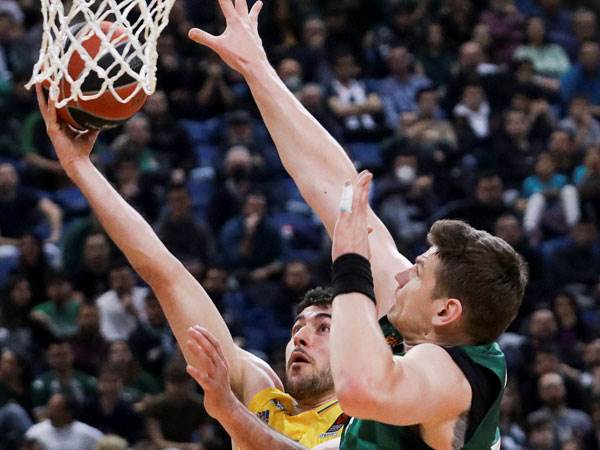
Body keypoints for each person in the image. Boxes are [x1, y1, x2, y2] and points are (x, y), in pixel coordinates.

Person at [187, 2, 526, 449]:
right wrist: (257, 69)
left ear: (446, 311)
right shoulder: (422, 325)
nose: (403, 272)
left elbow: (361, 390)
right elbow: (331, 182)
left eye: (419, 273)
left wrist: (350, 266)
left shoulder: (454, 378)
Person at [36, 83, 345, 450]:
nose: (301, 337)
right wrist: (79, 167)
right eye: (298, 327)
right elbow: (167, 276)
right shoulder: (263, 393)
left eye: (324, 327)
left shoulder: (369, 421)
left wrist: (230, 411)